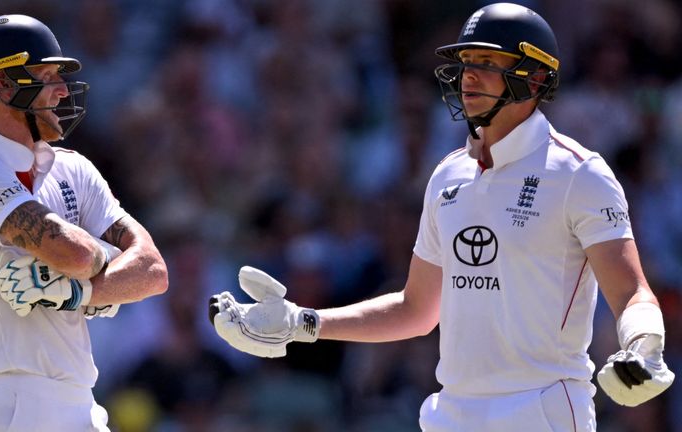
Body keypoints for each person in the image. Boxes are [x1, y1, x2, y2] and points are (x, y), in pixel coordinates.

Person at [209, 3, 675, 431]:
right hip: (451, 414)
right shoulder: (448, 175)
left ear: (534, 79)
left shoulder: (580, 173)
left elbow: (632, 291)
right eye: (466, 64)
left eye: (487, 65)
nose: (468, 78)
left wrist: (644, 345)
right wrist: (303, 323)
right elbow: (417, 309)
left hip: (542, 413)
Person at [0, 14, 168, 431]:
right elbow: (70, 252)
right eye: (47, 76)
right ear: (3, 84)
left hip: (79, 401)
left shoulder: (73, 168)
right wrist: (108, 260)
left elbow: (153, 271)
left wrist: (78, 293)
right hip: (4, 402)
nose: (61, 91)